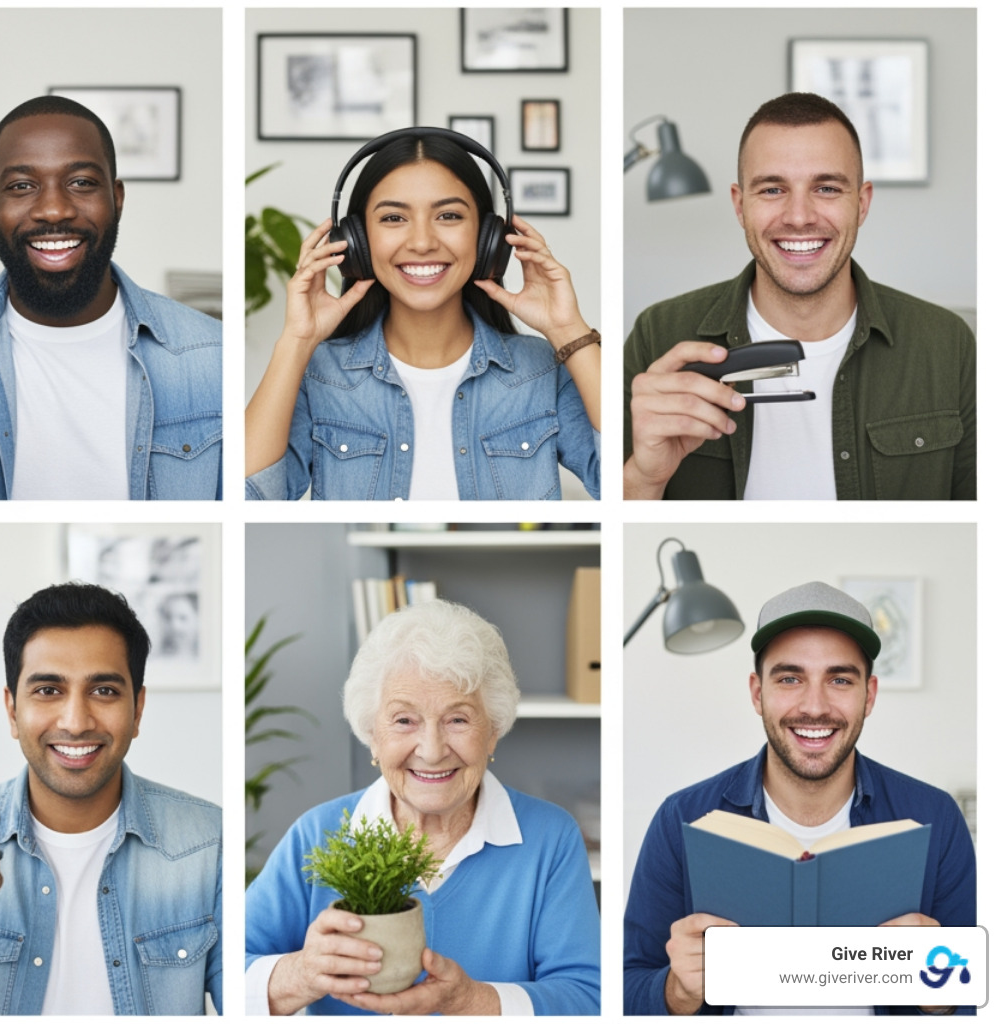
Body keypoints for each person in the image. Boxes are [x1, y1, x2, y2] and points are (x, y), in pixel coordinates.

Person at [0, 582, 222, 1014]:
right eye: (48, 690)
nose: (75, 722)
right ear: (12, 710)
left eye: (104, 690)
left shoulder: (209, 844)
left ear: (138, 709)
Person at [623, 582, 976, 1014]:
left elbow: (976, 996)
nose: (814, 706)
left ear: (869, 695)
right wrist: (678, 990)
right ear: (758, 693)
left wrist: (939, 993)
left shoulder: (935, 817)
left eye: (839, 679)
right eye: (790, 679)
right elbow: (625, 990)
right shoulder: (682, 818)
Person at [245, 600, 600, 1015]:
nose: (432, 751)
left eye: (458, 720)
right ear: (372, 736)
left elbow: (588, 998)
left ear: (492, 733)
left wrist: (470, 1001)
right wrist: (303, 973)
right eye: (404, 721)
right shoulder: (316, 834)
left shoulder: (550, 839)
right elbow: (224, 971)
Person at [0, 96, 222, 500]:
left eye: (81, 182)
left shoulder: (211, 354)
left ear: (117, 198)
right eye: (21, 186)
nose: (53, 210)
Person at [623, 93, 975, 500]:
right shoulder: (658, 336)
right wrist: (645, 478)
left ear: (861, 204)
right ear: (740, 206)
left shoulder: (947, 344)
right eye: (773, 189)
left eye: (826, 188)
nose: (799, 217)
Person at [244, 129, 600, 500]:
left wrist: (567, 328)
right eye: (393, 218)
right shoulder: (319, 374)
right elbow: (247, 500)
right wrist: (297, 341)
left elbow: (628, 486)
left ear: (488, 238)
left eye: (448, 215)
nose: (422, 243)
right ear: (356, 241)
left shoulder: (542, 369)